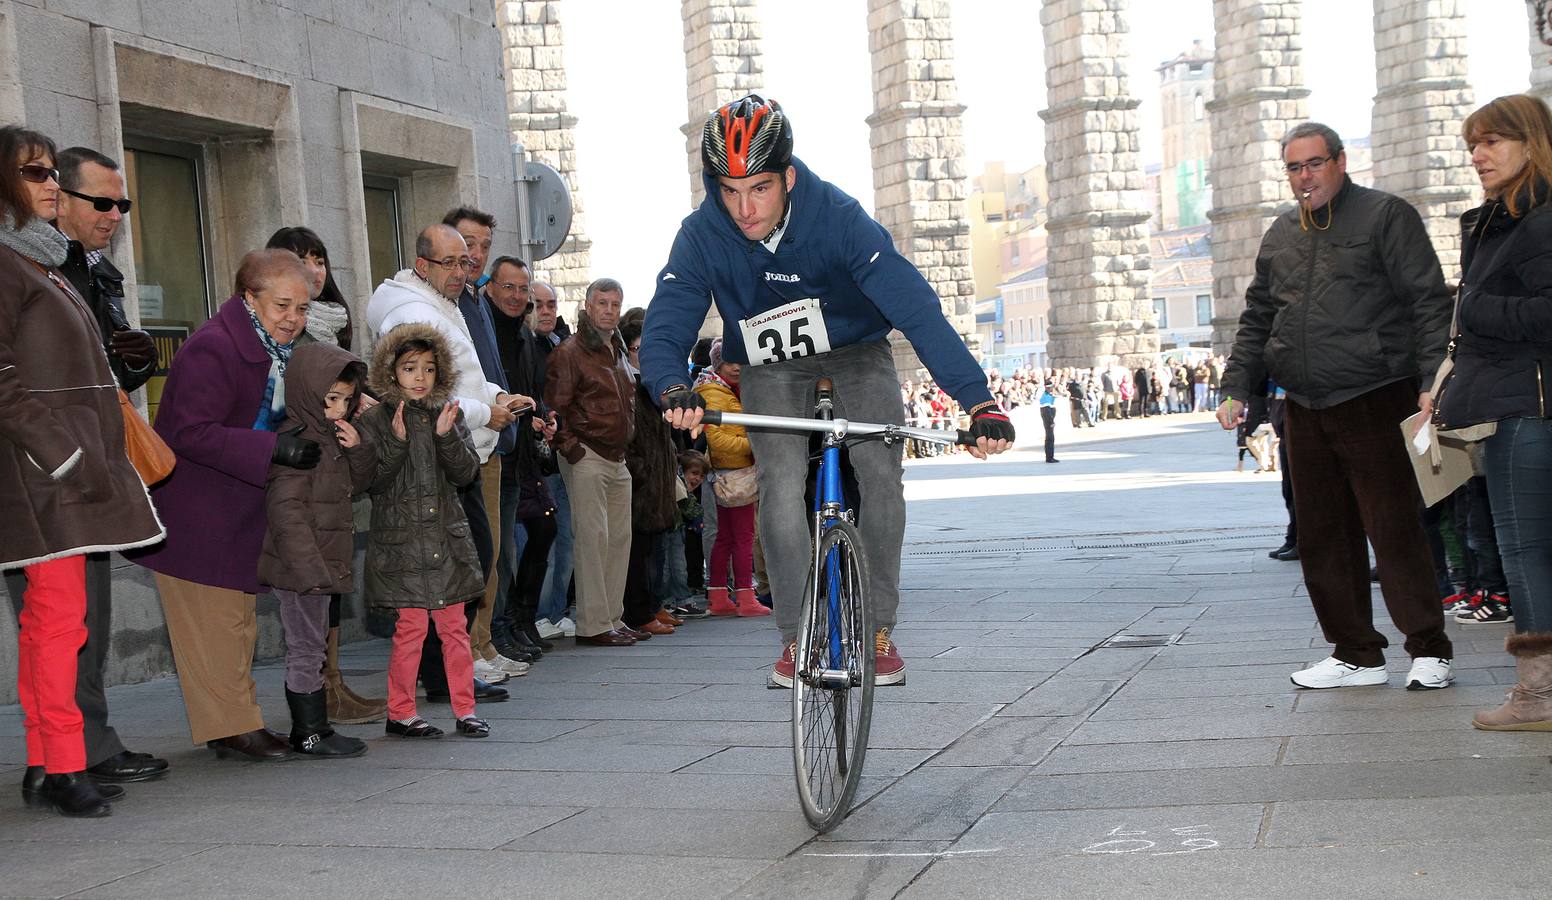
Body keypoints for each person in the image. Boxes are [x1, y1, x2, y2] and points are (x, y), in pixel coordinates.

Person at [642, 95, 1014, 687]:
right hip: (769, 362)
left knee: (882, 473)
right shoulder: (703, 232)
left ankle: (880, 629)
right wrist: (671, 384)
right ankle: (795, 635)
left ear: (788, 176)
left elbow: (916, 310)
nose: (743, 208)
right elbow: (670, 313)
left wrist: (977, 400)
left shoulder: (838, 216)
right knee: (781, 485)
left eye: (759, 188)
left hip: (856, 350)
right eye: (729, 191)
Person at [1218, 121, 1455, 692]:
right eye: (1294, 168)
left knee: (1394, 527)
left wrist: (1433, 381)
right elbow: (1257, 317)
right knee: (1322, 534)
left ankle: (1429, 650)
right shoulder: (1279, 233)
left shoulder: (1386, 216)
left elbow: (1428, 301)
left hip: (1375, 393)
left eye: (1314, 164)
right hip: (1302, 402)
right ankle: (1355, 654)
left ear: (1340, 162)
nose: (1304, 177)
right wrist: (1237, 387)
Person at [1, 125, 164, 816]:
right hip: (47, 476)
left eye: (48, 171)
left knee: (52, 623)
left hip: (66, 471)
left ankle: (47, 762)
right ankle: (65, 766)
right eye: (33, 173)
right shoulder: (10, 265)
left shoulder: (37, 262)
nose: (48, 184)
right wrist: (62, 451)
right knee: (61, 622)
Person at [131, 249, 322, 760]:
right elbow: (187, 432)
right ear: (249, 298)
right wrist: (272, 448)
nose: (294, 319)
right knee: (215, 626)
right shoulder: (212, 348)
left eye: (302, 309)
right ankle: (235, 726)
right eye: (283, 306)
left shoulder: (272, 349)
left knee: (236, 623)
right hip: (197, 515)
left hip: (234, 513)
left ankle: (232, 725)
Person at [365, 223, 532, 704]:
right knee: (456, 563)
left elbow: (466, 373)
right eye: (450, 262)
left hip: (461, 444)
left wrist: (498, 395)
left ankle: (446, 672)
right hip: (431, 454)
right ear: (423, 266)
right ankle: (441, 675)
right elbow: (425, 393)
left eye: (465, 262)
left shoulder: (443, 303)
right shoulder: (413, 312)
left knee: (468, 558)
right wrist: (488, 413)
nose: (462, 271)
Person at [1430, 95, 1552, 729]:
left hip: (1527, 408)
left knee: (1525, 548)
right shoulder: (1501, 220)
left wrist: (1475, 309)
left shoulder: (1537, 221)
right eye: (1472, 143)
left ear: (1531, 144)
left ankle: (1538, 696)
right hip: (1513, 397)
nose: (1477, 155)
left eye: (1492, 142)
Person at [264, 225, 384, 725]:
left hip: (327, 528)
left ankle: (329, 691)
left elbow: (360, 480)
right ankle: (312, 719)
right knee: (305, 634)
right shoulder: (287, 346)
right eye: (301, 258)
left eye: (319, 257)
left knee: (319, 625)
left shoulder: (332, 327)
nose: (314, 268)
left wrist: (358, 437)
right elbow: (287, 511)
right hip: (303, 546)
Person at [356, 322, 490, 738]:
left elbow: (467, 472)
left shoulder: (448, 413)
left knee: (454, 629)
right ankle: (400, 712)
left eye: (429, 369)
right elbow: (370, 481)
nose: (420, 377)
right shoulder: (376, 419)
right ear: (391, 371)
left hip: (445, 541)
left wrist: (447, 437)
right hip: (402, 546)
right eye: (410, 367)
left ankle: (465, 710)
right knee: (410, 630)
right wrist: (395, 441)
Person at [257, 341, 374, 757]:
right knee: (307, 647)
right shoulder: (297, 443)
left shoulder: (326, 439)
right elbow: (285, 512)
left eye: (346, 400)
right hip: (304, 569)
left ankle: (314, 726)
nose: (339, 408)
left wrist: (357, 447)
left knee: (314, 645)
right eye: (331, 399)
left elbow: (354, 486)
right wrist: (309, 571)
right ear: (307, 392)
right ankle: (309, 730)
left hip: (320, 563)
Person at [443, 206, 533, 682]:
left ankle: (484, 643)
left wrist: (506, 403)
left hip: (495, 437)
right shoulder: (443, 303)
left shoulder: (474, 301)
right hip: (463, 441)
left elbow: (486, 373)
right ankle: (469, 651)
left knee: (493, 551)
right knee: (474, 551)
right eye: (466, 244)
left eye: (481, 246)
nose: (474, 255)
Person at [544, 278, 639, 646]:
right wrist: (574, 449)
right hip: (587, 455)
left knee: (619, 539)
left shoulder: (615, 350)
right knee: (592, 540)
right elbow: (556, 407)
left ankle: (612, 617)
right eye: (602, 302)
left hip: (617, 457)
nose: (610, 309)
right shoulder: (570, 352)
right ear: (587, 305)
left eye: (615, 303)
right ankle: (593, 624)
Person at [484, 255, 557, 660]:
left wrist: (544, 416)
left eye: (521, 288)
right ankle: (500, 629)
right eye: (508, 287)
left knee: (526, 539)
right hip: (495, 449)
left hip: (523, 455)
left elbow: (532, 389)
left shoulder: (525, 337)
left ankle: (516, 622)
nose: (515, 296)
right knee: (499, 549)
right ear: (490, 287)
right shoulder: (485, 329)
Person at [693, 339, 769, 616]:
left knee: (726, 537)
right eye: (729, 361)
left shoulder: (722, 389)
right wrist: (755, 445)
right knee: (744, 536)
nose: (736, 367)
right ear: (718, 364)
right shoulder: (715, 392)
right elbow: (719, 439)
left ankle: (718, 597)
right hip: (735, 473)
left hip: (728, 471)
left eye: (738, 360)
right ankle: (745, 598)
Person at [619, 307, 683, 634]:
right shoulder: (628, 382)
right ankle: (639, 612)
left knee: (655, 547)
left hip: (657, 476)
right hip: (639, 476)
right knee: (638, 550)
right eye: (639, 349)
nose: (645, 355)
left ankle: (653, 605)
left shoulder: (652, 383)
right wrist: (641, 470)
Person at [530, 281, 578, 639]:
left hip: (561, 455)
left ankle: (557, 611)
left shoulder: (558, 346)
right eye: (539, 304)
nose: (546, 311)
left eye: (551, 304)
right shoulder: (524, 345)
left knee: (566, 540)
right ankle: (539, 614)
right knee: (541, 541)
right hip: (536, 460)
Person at [1038, 382, 1059, 463]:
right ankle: (1049, 457)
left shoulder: (1049, 395)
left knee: (1050, 438)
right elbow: (1046, 411)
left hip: (1049, 417)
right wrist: (1051, 422)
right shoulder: (1045, 396)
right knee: (1050, 438)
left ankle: (1050, 456)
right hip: (1048, 419)